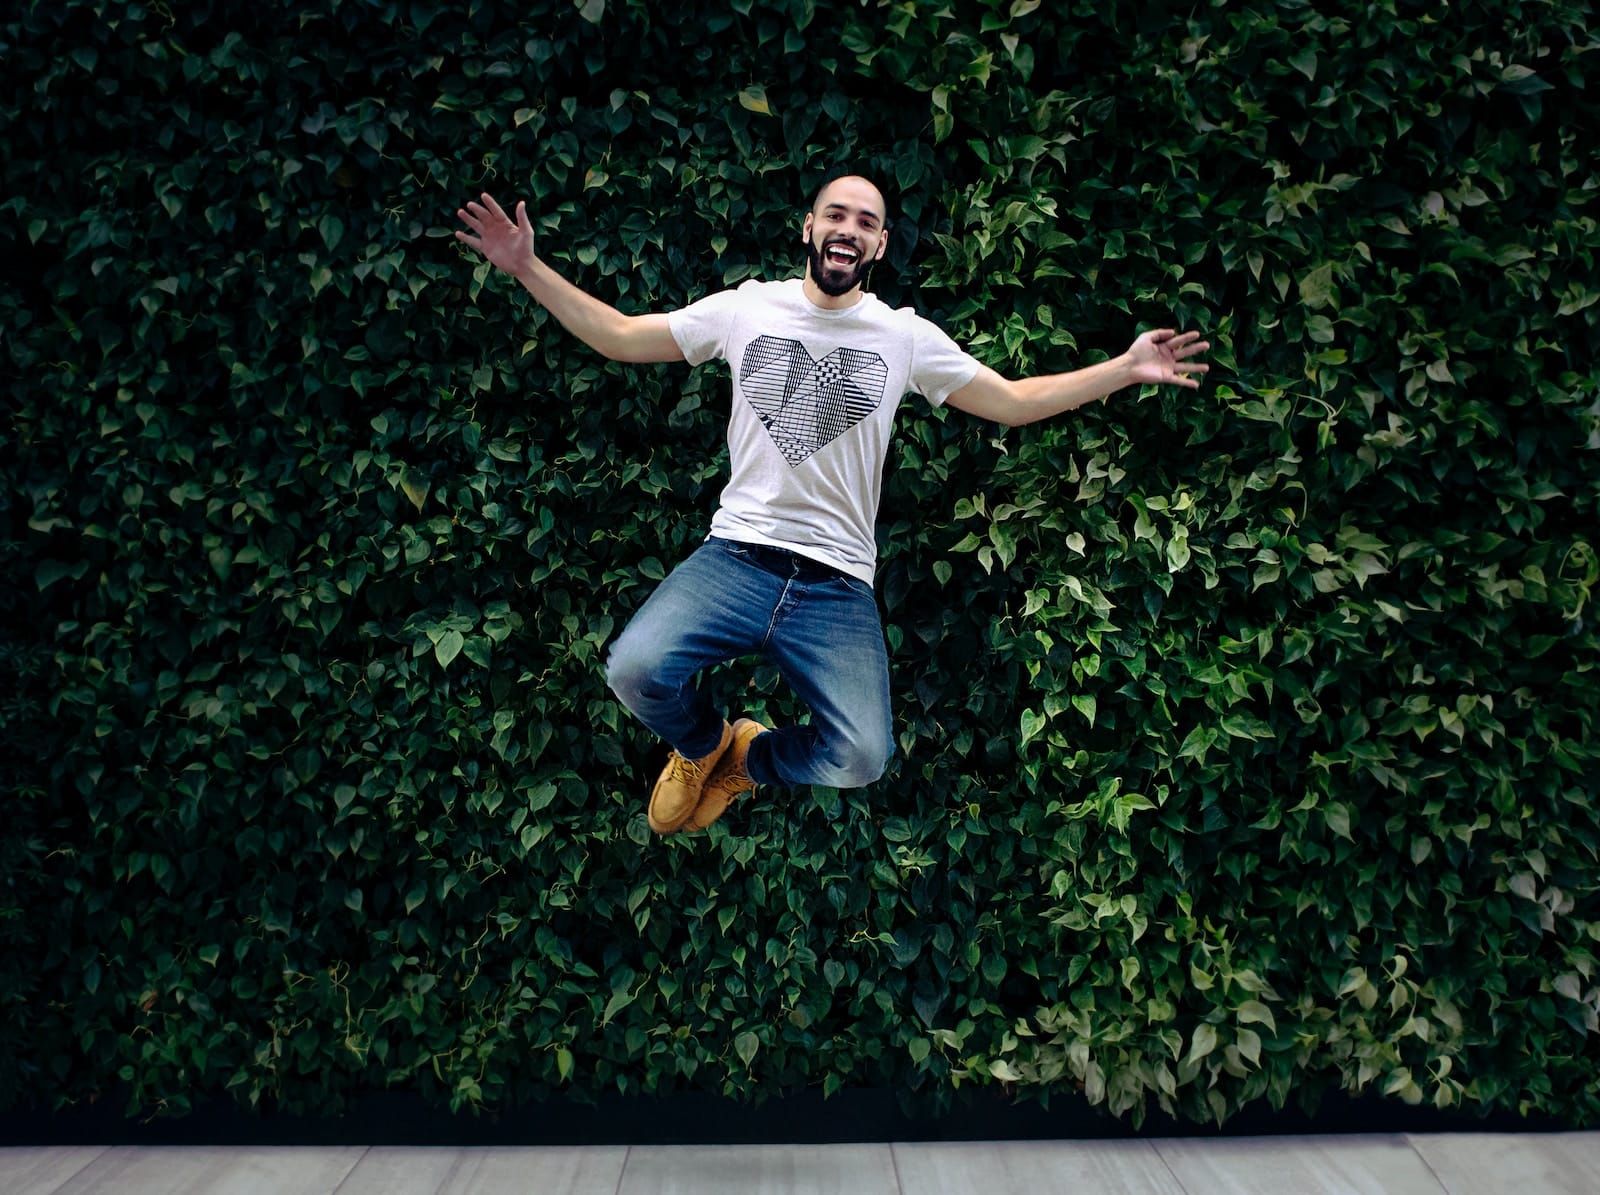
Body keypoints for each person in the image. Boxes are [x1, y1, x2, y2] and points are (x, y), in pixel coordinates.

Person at [455, 175, 1208, 836]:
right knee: (634, 668)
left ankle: (747, 757)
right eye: (836, 214)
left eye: (867, 221)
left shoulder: (904, 336)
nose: (849, 228)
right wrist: (527, 267)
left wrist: (1124, 367)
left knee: (861, 755)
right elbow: (620, 336)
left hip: (835, 584)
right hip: (737, 559)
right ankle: (699, 742)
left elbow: (1010, 401)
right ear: (809, 229)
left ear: (877, 247)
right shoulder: (746, 310)